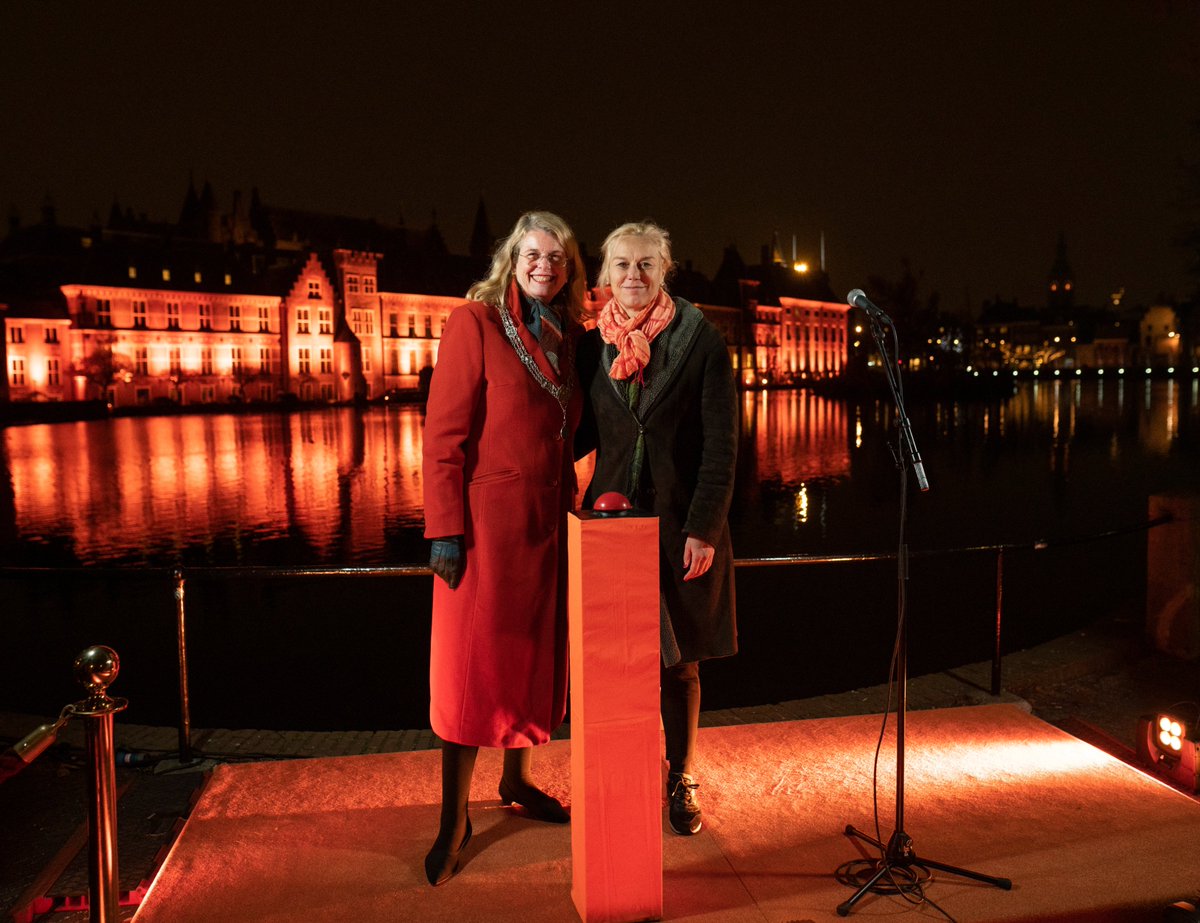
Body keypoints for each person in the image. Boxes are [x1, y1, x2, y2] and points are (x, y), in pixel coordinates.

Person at [421, 211, 587, 886]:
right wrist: (444, 530)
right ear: (511, 260)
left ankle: (517, 781)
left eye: (557, 256)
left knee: (532, 660)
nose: (544, 264)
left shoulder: (570, 338)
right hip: (485, 536)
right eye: (532, 253)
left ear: (569, 267)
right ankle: (452, 817)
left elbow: (569, 433)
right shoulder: (475, 323)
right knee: (470, 672)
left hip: (548, 528)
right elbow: (443, 436)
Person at [576, 220, 737, 836]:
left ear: (664, 270)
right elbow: (582, 431)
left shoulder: (702, 342)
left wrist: (704, 528)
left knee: (680, 662)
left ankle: (681, 774)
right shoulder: (591, 346)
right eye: (621, 265)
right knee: (616, 659)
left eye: (646, 265)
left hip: (680, 527)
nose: (633, 277)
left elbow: (722, 448)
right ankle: (621, 767)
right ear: (605, 275)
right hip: (612, 525)